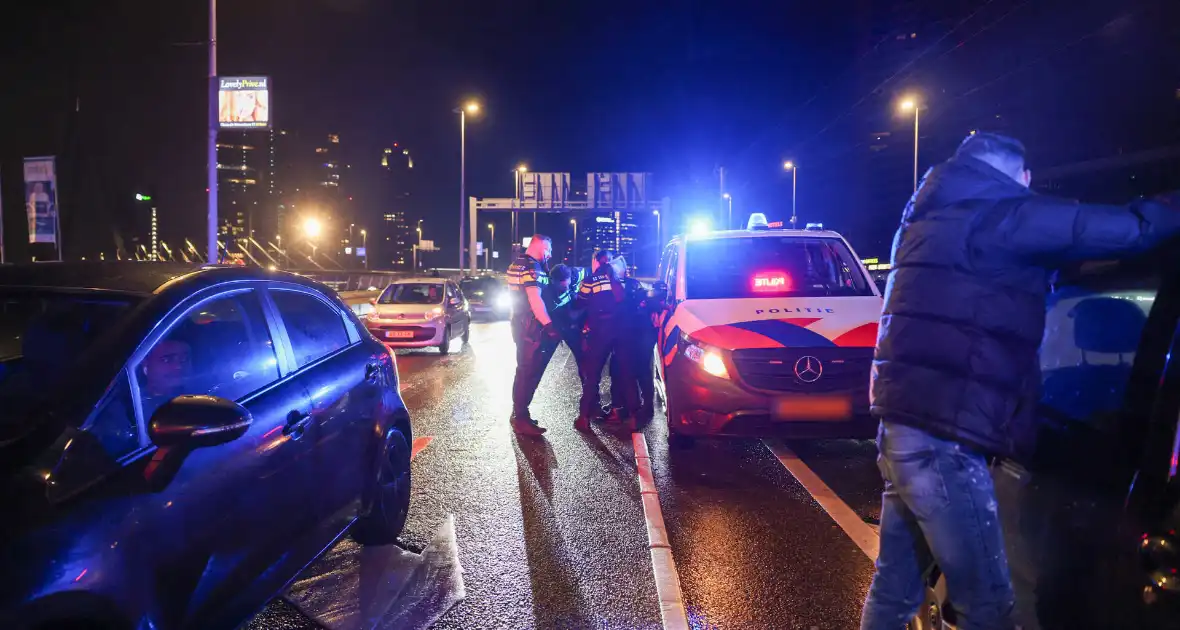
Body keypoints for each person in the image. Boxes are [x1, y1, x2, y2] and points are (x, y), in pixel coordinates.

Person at [861, 132, 1180, 630]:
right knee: (987, 605)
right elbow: (1132, 230)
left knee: (895, 588)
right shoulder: (1005, 214)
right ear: (1017, 174)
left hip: (903, 427)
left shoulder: (925, 220)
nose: (1030, 186)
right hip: (947, 439)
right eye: (1027, 179)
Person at [575, 250, 638, 433]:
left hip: (600, 332)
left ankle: (584, 417)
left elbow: (580, 302)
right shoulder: (622, 281)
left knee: (592, 375)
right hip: (622, 332)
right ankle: (634, 416)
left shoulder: (590, 280)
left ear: (596, 261)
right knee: (626, 374)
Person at [506, 234, 562, 436]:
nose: (549, 254)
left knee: (524, 370)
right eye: (548, 249)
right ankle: (520, 418)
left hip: (520, 324)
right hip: (530, 326)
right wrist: (548, 325)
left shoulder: (517, 263)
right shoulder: (533, 267)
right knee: (529, 372)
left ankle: (520, 413)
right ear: (540, 246)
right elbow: (534, 299)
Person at [546, 264, 586, 366]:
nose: (567, 288)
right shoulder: (549, 297)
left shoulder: (576, 274)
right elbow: (572, 316)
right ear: (554, 282)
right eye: (563, 287)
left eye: (568, 285)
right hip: (563, 324)